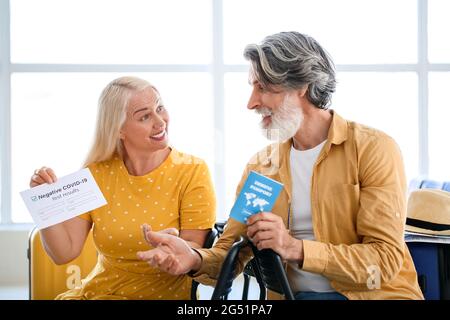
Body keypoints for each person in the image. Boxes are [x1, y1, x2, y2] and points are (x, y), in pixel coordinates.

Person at [137, 32, 424, 300]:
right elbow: (230, 255)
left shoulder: (373, 149)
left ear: (301, 85)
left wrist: (293, 247)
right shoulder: (262, 167)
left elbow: (384, 259)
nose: (251, 103)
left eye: (262, 87)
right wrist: (193, 258)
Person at [29, 76, 216, 300]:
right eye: (145, 116)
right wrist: (43, 202)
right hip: (98, 293)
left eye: (160, 108)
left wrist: (172, 251)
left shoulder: (193, 170)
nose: (160, 121)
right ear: (118, 130)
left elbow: (194, 246)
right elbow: (64, 252)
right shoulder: (97, 174)